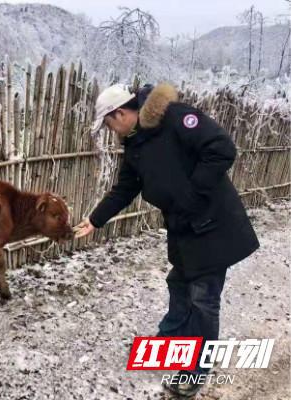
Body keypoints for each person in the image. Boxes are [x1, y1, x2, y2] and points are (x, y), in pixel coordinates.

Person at [73, 83, 260, 397]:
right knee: (179, 284)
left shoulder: (174, 118)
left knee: (203, 301)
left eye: (109, 124)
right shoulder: (135, 144)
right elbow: (124, 189)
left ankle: (195, 372)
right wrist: (95, 219)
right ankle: (170, 341)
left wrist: (191, 193)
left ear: (120, 113)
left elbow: (222, 148)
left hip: (212, 225)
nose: (110, 131)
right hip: (184, 228)